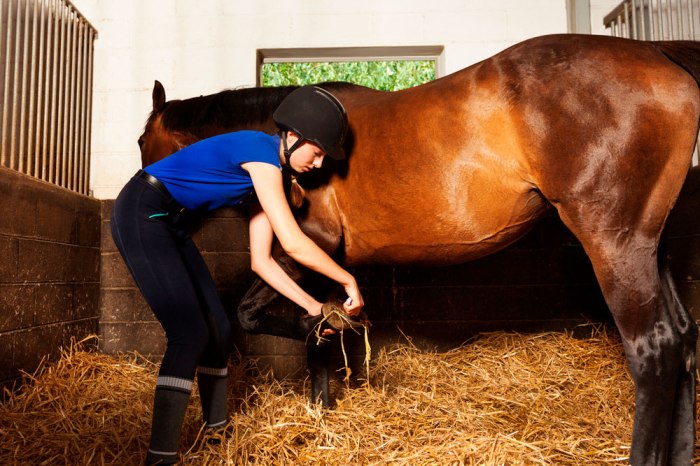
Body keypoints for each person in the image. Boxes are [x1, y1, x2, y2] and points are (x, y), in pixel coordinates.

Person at [110, 86, 364, 465]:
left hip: (170, 223)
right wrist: (348, 279)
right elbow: (292, 243)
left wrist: (315, 309)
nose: (320, 163)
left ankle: (216, 434)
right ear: (292, 137)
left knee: (218, 326)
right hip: (142, 208)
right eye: (318, 151)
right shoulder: (260, 153)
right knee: (189, 333)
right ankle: (160, 457)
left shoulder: (268, 176)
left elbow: (262, 262)